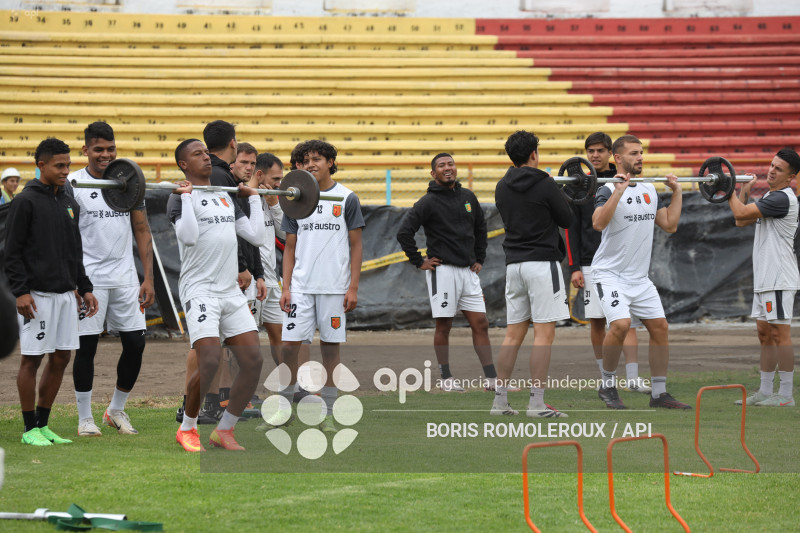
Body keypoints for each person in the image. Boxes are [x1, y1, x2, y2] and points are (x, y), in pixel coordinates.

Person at [169, 139, 265, 452]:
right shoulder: (179, 198)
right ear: (184, 164)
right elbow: (190, 237)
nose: (206, 158)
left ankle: (224, 430)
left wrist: (252, 200)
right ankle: (188, 429)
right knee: (208, 361)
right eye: (197, 154)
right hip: (200, 290)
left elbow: (255, 235)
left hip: (229, 290)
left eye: (206, 153)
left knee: (253, 361)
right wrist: (185, 199)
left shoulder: (224, 196)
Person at [4, 138, 98, 446]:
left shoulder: (69, 202)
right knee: (31, 360)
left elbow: (75, 251)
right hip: (36, 295)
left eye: (68, 165)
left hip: (65, 296)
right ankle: (29, 428)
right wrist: (20, 291)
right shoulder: (24, 201)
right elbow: (12, 252)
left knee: (61, 358)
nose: (65, 170)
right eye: (59, 165)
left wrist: (84, 288)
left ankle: (44, 425)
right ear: (41, 165)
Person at [268, 140, 364, 433]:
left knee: (330, 350)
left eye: (317, 159)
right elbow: (290, 247)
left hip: (334, 289)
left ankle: (331, 413)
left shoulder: (347, 198)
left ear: (331, 162)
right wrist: (286, 287)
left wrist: (353, 288)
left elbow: (356, 244)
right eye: (305, 161)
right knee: (289, 347)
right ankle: (284, 409)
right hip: (300, 287)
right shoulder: (294, 197)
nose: (311, 165)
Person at [69, 122, 154, 437]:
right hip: (89, 278)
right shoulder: (73, 183)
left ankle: (116, 410)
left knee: (136, 343)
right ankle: (84, 418)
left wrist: (148, 279)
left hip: (126, 277)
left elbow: (142, 229)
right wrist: (77, 283)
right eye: (98, 149)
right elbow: (68, 237)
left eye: (110, 149)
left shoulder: (128, 180)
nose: (105, 155)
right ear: (86, 150)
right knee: (87, 346)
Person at [592, 134, 689, 410]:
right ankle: (608, 384)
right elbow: (598, 223)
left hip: (639, 279)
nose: (640, 158)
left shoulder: (648, 188)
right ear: (618, 159)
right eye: (634, 153)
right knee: (621, 325)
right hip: (609, 274)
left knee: (660, 328)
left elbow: (669, 224)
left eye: (642, 153)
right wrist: (619, 192)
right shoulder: (607, 189)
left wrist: (677, 192)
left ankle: (659, 393)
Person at [396, 152, 497, 392]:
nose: (447, 168)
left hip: (468, 272)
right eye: (441, 165)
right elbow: (404, 232)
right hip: (443, 272)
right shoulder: (427, 202)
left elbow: (481, 229)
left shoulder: (468, 197)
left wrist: (479, 257)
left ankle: (492, 379)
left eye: (450, 163)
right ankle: (446, 378)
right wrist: (419, 261)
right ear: (434, 173)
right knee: (444, 325)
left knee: (481, 323)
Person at [491, 130, 573, 417]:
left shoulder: (501, 186)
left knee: (512, 335)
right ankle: (536, 403)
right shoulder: (545, 184)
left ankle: (500, 402)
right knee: (543, 336)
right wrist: (562, 193)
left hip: (514, 265)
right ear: (534, 154)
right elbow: (567, 219)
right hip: (542, 264)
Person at [566, 132, 648, 393]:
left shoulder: (625, 177)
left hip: (624, 263)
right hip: (591, 263)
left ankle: (633, 377)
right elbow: (571, 228)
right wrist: (575, 267)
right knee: (598, 322)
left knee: (628, 321)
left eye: (600, 150)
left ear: (611, 153)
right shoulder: (577, 184)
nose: (594, 155)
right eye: (590, 151)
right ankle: (606, 376)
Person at [729, 148, 800, 407]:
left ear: (790, 177)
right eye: (772, 165)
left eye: (778, 169)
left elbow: (739, 213)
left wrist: (727, 189)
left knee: (781, 335)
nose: (771, 170)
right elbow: (741, 221)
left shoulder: (782, 199)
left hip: (779, 277)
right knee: (764, 333)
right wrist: (743, 189)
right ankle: (766, 391)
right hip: (765, 279)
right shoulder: (771, 196)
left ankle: (785, 396)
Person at [248, 152, 286, 366]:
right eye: (275, 179)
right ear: (260, 175)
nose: (279, 184)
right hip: (251, 281)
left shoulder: (273, 199)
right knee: (246, 340)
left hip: (272, 280)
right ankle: (244, 391)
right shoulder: (243, 197)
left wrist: (274, 204)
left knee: (282, 336)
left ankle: (290, 386)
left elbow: (284, 234)